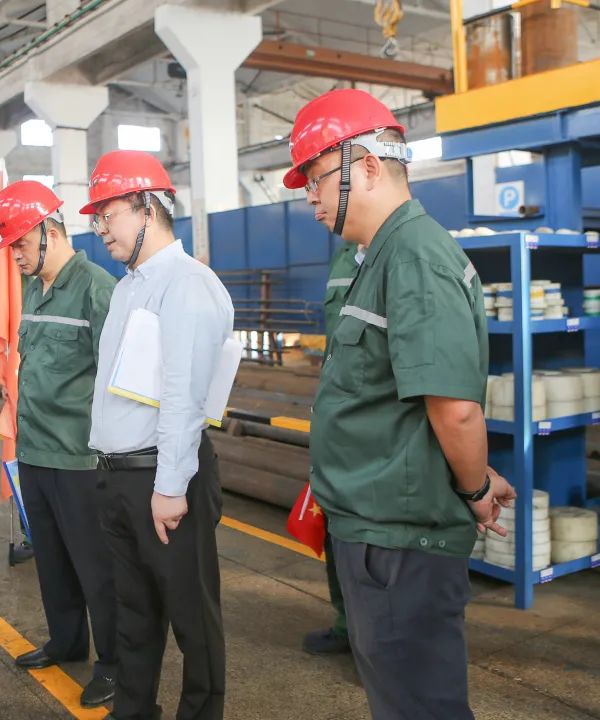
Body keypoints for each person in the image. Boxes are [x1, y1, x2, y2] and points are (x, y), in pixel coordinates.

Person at [286, 89, 516, 719]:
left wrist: (475, 489)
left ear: (365, 166)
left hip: (400, 541)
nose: (309, 198)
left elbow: (455, 409)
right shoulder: (380, 255)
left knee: (419, 706)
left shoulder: (413, 254)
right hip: (380, 527)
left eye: (315, 178)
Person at [84, 150, 233, 720]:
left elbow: (183, 397)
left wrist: (169, 487)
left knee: (194, 620)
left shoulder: (187, 284)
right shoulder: (129, 287)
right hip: (120, 478)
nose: (101, 229)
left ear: (148, 207)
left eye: (109, 214)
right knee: (135, 616)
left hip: (167, 478)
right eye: (97, 218)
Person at [0, 180, 120, 708]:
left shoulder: (97, 289)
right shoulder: (33, 289)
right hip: (36, 453)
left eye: (22, 244)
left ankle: (114, 665)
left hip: (80, 458)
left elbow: (118, 379)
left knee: (98, 568)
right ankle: (66, 641)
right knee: (52, 561)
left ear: (50, 231)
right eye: (12, 247)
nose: (16, 256)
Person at [301, 241, 358, 656]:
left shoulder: (402, 254)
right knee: (336, 531)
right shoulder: (342, 257)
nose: (314, 210)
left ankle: (373, 642)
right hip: (337, 418)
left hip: (374, 424)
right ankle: (346, 624)